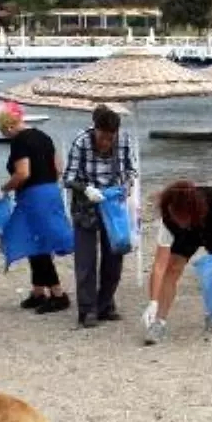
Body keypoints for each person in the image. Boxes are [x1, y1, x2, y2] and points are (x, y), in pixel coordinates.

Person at [142, 181, 212, 345]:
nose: (176, 218)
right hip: (185, 235)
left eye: (179, 216)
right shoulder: (169, 219)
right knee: (172, 269)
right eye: (173, 214)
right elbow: (159, 266)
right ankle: (159, 321)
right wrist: (152, 301)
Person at [0, 101, 71, 314]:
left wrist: (4, 189)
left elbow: (23, 173)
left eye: (1, 131)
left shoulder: (19, 141)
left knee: (36, 242)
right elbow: (57, 169)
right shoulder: (43, 137)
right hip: (50, 191)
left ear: (7, 126)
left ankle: (58, 293)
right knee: (34, 239)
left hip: (33, 196)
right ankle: (38, 291)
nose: (3, 135)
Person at [63, 104, 137, 328]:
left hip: (112, 204)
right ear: (95, 129)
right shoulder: (81, 142)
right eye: (102, 137)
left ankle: (105, 305)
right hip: (86, 202)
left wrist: (127, 185)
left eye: (110, 138)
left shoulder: (124, 141)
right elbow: (67, 178)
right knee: (86, 260)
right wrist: (86, 189)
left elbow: (131, 171)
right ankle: (87, 310)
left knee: (115, 255)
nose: (106, 143)